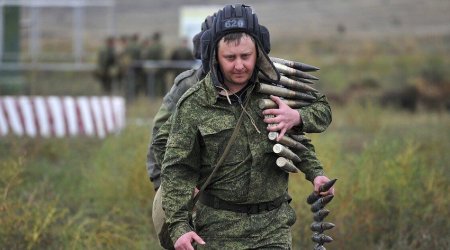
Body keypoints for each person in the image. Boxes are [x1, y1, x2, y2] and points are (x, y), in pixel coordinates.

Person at [152, 4, 334, 249]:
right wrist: (180, 227)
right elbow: (177, 170)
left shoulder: (276, 88)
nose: (239, 66)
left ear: (257, 53)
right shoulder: (194, 103)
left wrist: (297, 118)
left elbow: (317, 115)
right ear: (215, 55)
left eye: (246, 56)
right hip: (218, 231)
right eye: (230, 58)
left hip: (273, 228)